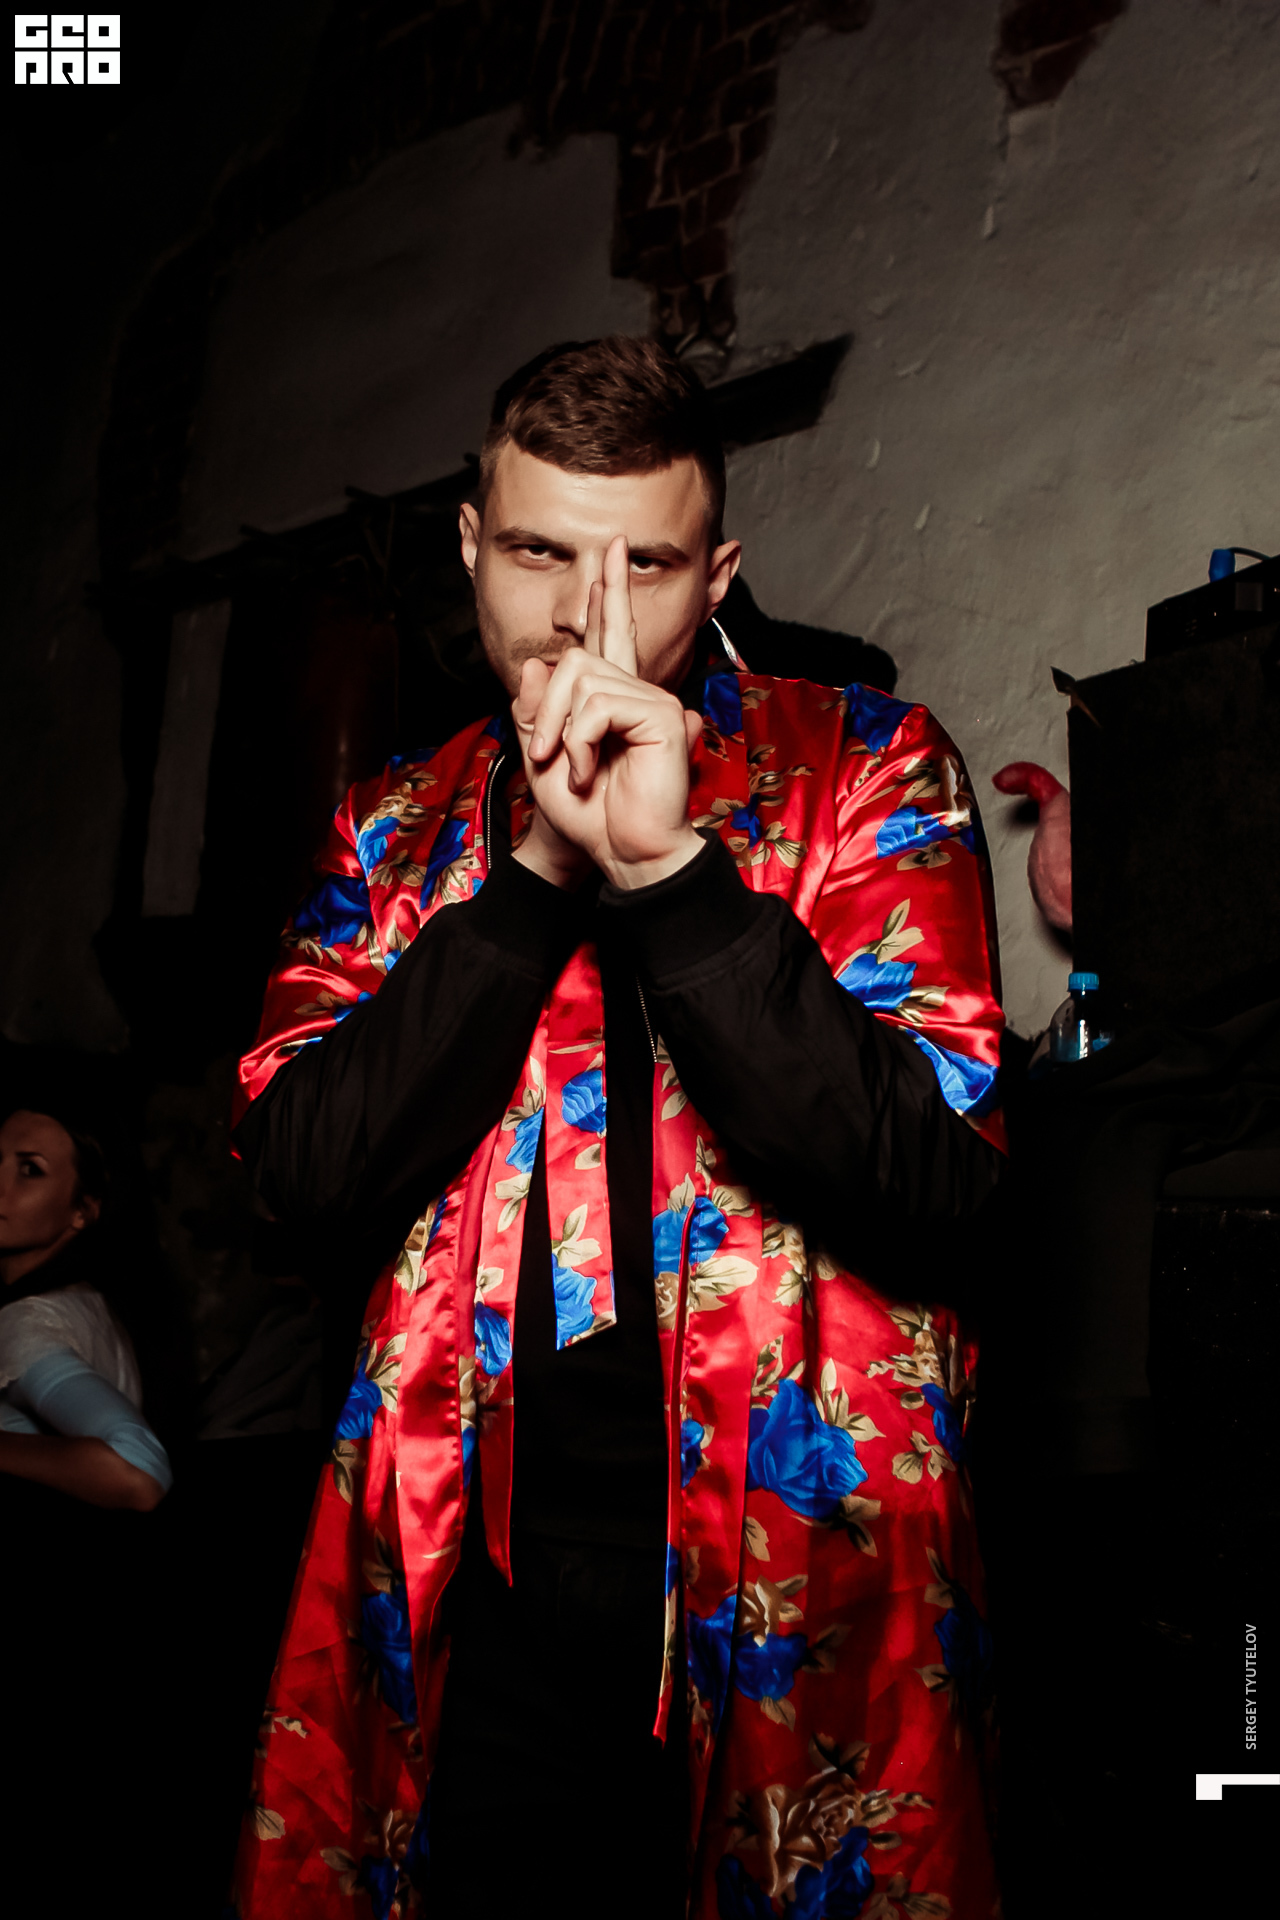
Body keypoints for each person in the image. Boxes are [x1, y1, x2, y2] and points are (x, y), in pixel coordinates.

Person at [230, 337, 1005, 1919]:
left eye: (644, 565)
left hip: (806, 1574)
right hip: (471, 1601)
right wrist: (535, 873)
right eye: (539, 553)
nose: (589, 620)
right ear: (470, 548)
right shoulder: (391, 831)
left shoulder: (868, 768)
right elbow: (293, 1184)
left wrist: (665, 877)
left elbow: (940, 1190)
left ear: (717, 575)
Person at [0, 1105, 172, 1509]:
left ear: (83, 1210)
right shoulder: (87, 1303)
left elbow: (138, 1469)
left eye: (30, 1170)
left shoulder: (29, 1322)